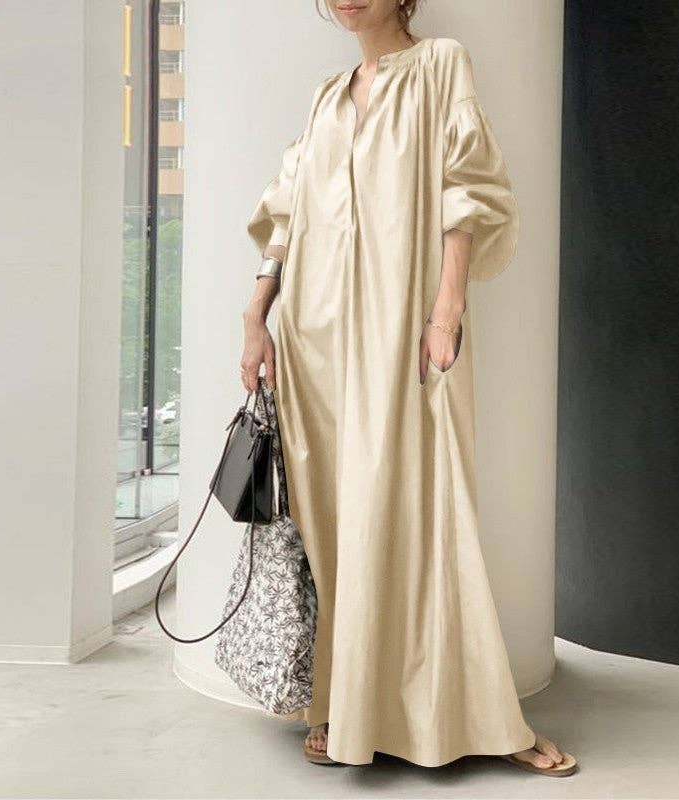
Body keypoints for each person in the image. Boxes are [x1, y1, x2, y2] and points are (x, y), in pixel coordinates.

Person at [239, 0, 577, 777]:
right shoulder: (327, 95)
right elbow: (287, 212)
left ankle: (484, 717)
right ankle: (340, 704)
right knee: (333, 526)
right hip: (312, 338)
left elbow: (466, 187)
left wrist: (445, 312)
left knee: (426, 508)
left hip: (401, 329)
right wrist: (256, 313)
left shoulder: (439, 65)